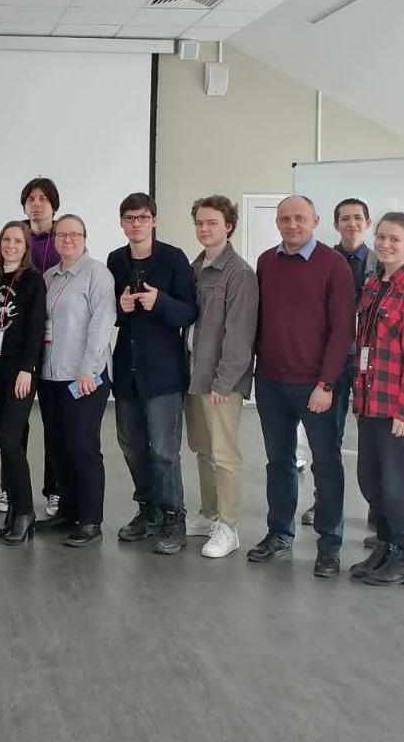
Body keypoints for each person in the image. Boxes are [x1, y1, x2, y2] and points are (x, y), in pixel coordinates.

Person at [246, 195, 354, 578]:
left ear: (315, 220)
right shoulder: (266, 262)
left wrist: (327, 383)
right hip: (271, 382)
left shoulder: (334, 264)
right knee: (279, 462)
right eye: (285, 218)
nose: (292, 225)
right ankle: (279, 534)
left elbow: (343, 330)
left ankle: (329, 545)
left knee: (326, 465)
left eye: (300, 218)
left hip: (316, 386)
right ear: (277, 222)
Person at [348, 213, 404, 586]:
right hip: (371, 402)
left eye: (394, 239)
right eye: (381, 237)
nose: (385, 244)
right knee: (374, 480)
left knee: (402, 484)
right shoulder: (374, 283)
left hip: (401, 409)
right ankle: (385, 546)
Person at [106, 193, 198, 555]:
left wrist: (159, 302)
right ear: (121, 222)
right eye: (130, 218)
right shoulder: (116, 260)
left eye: (143, 217)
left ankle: (174, 516)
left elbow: (189, 312)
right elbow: (112, 314)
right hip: (126, 369)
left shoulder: (173, 258)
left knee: (163, 451)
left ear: (154, 220)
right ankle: (148, 509)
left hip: (162, 371)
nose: (136, 224)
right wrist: (121, 307)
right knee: (131, 446)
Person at [36, 214, 116, 547]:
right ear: (54, 239)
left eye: (75, 234)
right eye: (62, 234)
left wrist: (89, 369)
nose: (68, 239)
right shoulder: (48, 277)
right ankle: (67, 511)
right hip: (51, 376)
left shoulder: (98, 274)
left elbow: (102, 323)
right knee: (59, 447)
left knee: (84, 448)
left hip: (84, 377)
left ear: (85, 238)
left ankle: (90, 519)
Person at [184, 195, 258, 559]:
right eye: (199, 223)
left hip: (220, 380)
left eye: (212, 222)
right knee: (202, 448)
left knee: (224, 454)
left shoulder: (239, 273)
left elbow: (240, 334)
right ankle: (210, 514)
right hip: (193, 374)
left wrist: (224, 381)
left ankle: (229, 527)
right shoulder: (195, 267)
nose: (204, 229)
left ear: (228, 226)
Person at [302, 198, 378, 527]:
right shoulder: (323, 260)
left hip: (371, 364)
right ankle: (324, 502)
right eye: (345, 218)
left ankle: (378, 505)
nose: (352, 223)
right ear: (335, 225)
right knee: (327, 436)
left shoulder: (382, 261)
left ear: (368, 223)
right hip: (332, 362)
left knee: (374, 438)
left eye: (358, 218)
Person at [0, 221, 46, 544]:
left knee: (10, 439)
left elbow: (35, 328)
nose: (10, 245)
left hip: (20, 372)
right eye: (6, 239)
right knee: (9, 439)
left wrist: (28, 368)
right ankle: (15, 508)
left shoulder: (33, 280)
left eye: (17, 241)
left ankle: (25, 512)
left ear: (26, 247)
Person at [20, 176, 63, 517]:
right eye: (31, 198)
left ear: (54, 204)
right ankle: (12, 487)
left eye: (43, 198)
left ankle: (55, 489)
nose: (36, 204)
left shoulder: (65, 237)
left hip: (55, 339)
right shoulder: (16, 237)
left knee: (55, 421)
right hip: (21, 340)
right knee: (15, 422)